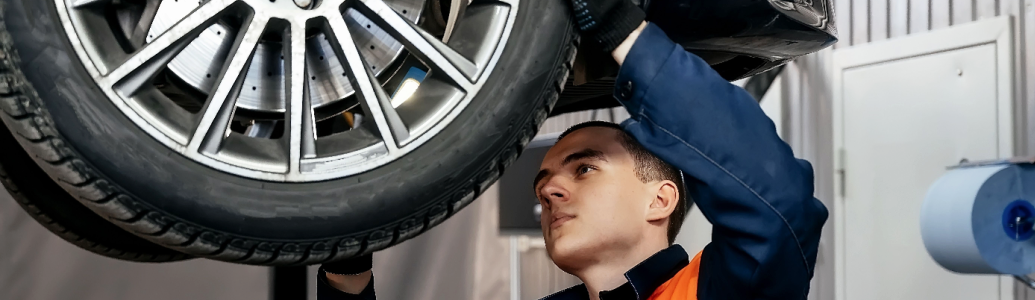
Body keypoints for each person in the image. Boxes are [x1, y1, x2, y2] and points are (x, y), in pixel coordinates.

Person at [317, 0, 829, 298]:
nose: (549, 193)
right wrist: (347, 259)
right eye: (542, 185)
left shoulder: (717, 292)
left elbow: (779, 207)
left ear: (662, 199)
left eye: (584, 168)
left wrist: (622, 30)